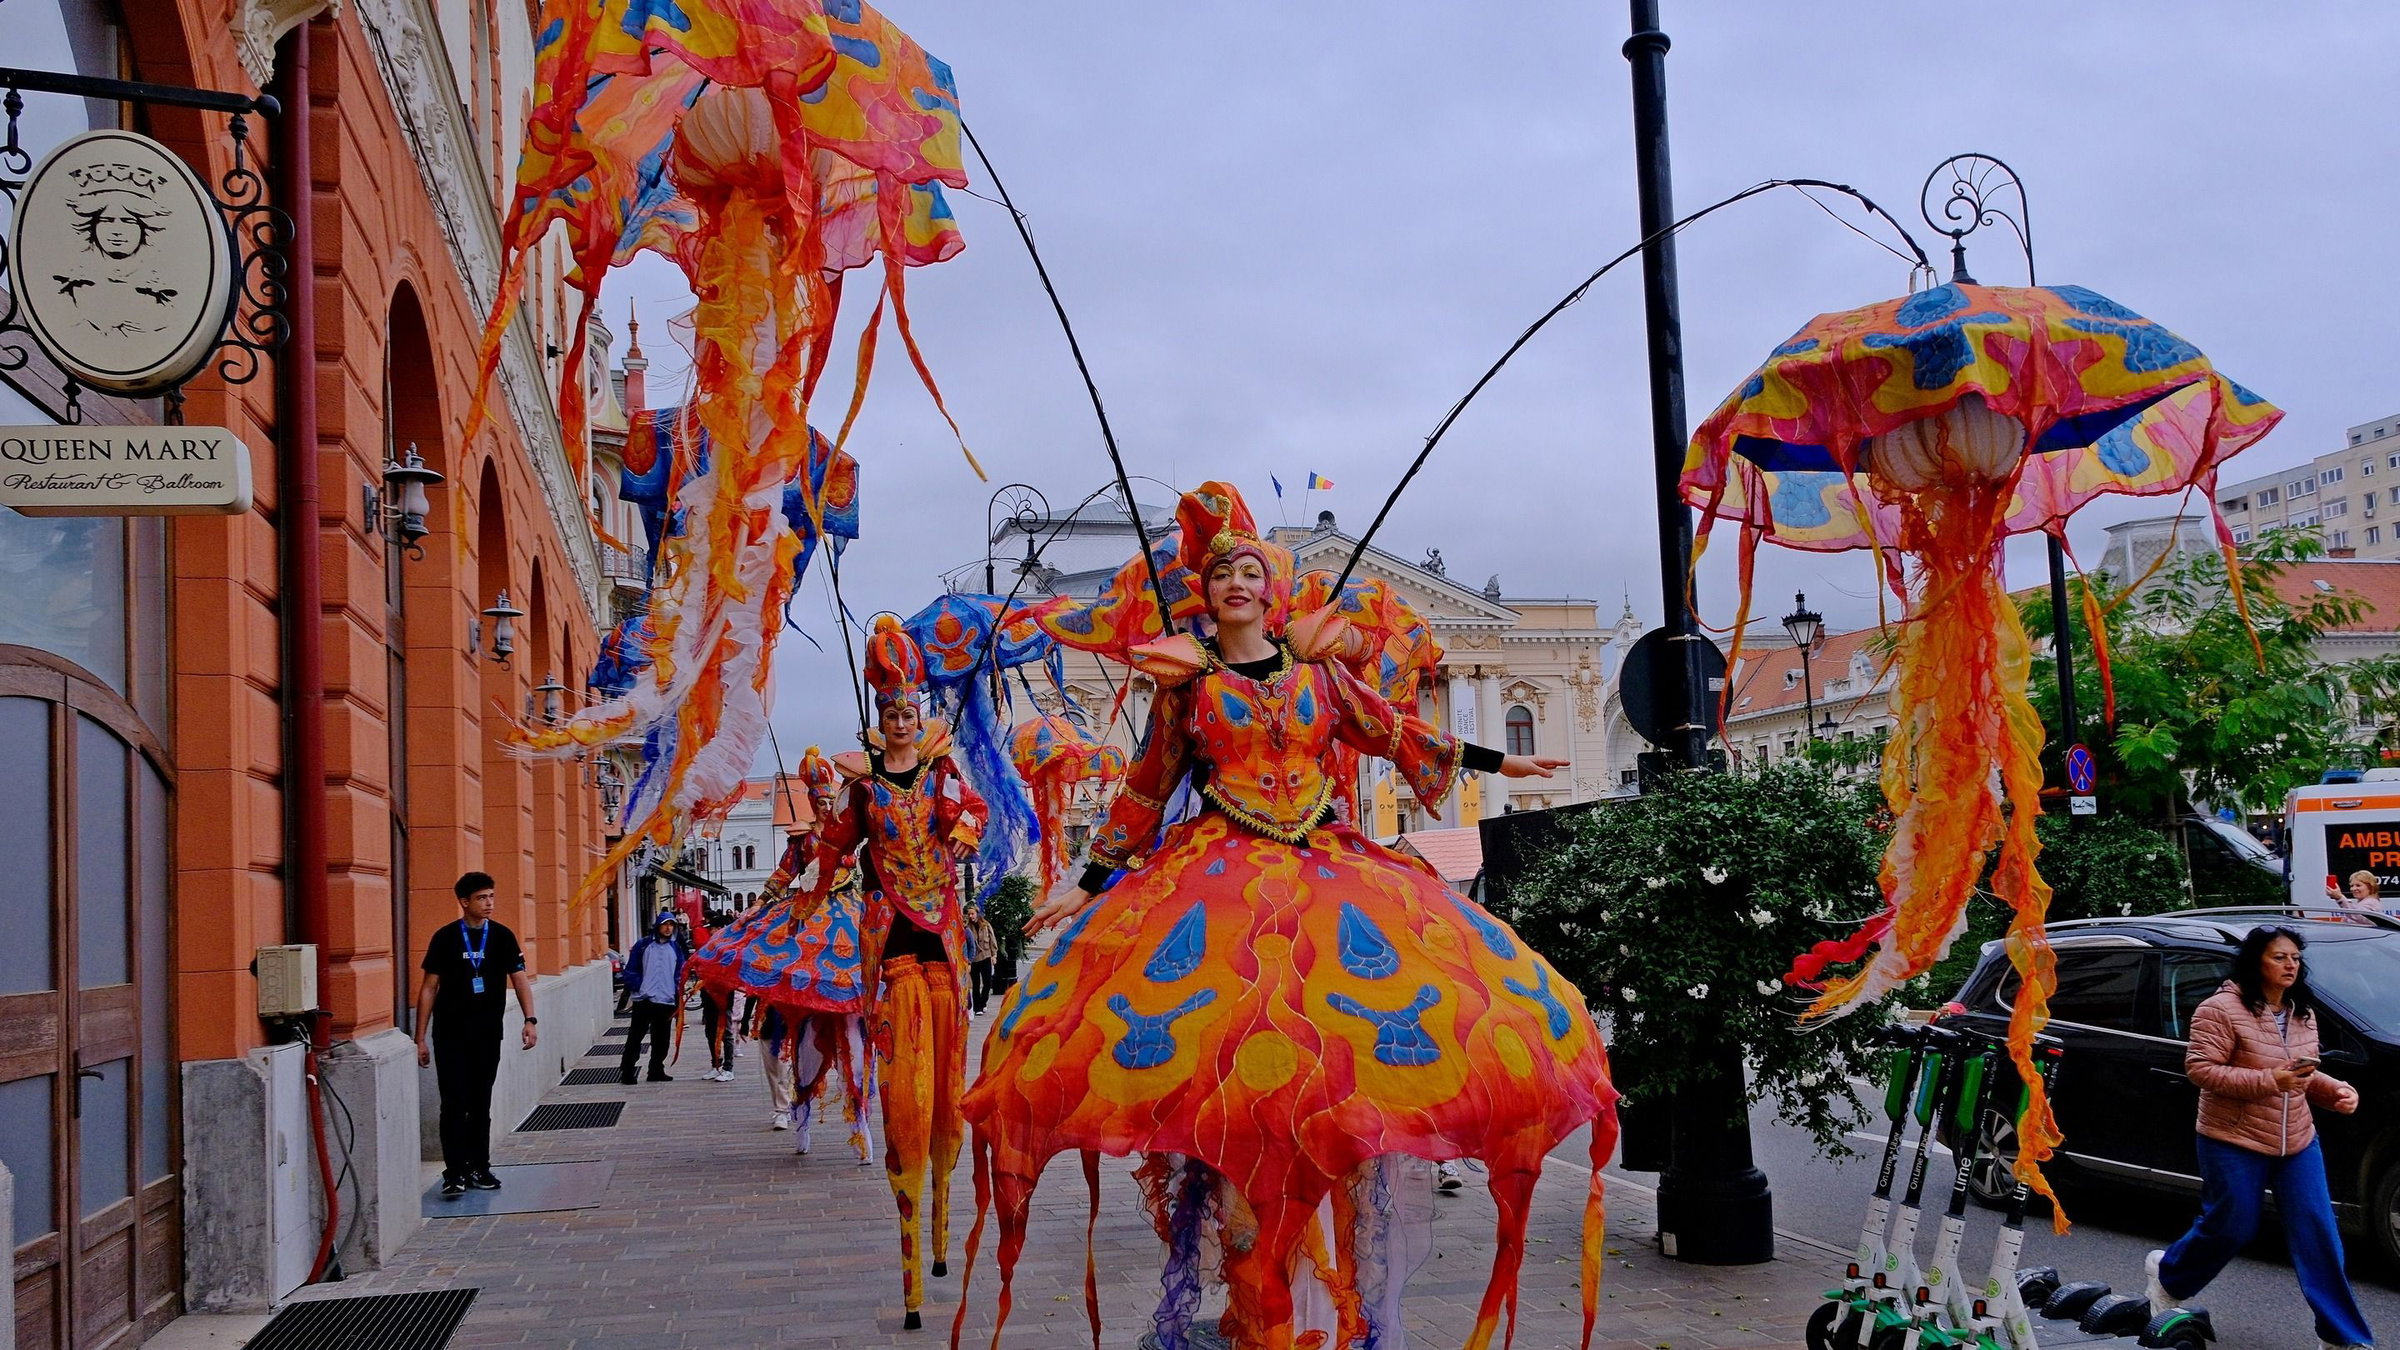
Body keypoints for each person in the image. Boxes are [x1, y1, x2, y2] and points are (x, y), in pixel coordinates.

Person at [965, 483, 1617, 1348]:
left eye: (1248, 571)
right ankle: (1259, 1300)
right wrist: (1085, 885)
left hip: (1330, 879)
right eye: (1220, 574)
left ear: (1270, 588)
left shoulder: (1318, 673)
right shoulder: (1186, 684)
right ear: (1206, 592)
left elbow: (1393, 731)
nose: (1235, 583)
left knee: (1343, 1060)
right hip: (1217, 890)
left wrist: (1502, 764)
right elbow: (1145, 791)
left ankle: (1317, 1300)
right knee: (1237, 1075)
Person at [793, 615, 987, 1329]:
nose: (901, 723)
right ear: (878, 719)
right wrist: (810, 882)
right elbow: (836, 845)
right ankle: (911, 1241)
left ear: (919, 715)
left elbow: (973, 811)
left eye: (909, 712)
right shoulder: (864, 788)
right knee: (905, 1090)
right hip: (891, 942)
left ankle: (941, 1220)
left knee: (947, 1085)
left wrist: (962, 832)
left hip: (942, 940)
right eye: (890, 713)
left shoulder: (939, 773)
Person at [2144, 925, 2371, 1350]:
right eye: (2279, 957)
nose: (2290, 965)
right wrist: (2270, 1080)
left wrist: (2335, 1091)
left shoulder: (2302, 1011)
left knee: (2319, 1233)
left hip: (2297, 1139)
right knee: (2232, 1226)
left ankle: (2342, 1337)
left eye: (2295, 958)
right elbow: (2201, 1070)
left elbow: (2301, 1072)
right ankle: (2169, 1276)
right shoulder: (2220, 1009)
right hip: (2232, 1137)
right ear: (2255, 961)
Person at [689, 746, 880, 1163]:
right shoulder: (802, 840)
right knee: (808, 1035)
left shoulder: (853, 835)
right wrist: (757, 907)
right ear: (811, 801)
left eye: (830, 798)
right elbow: (781, 876)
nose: (826, 805)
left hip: (849, 928)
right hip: (808, 928)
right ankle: (801, 1116)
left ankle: (860, 1123)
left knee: (855, 1032)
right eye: (820, 799)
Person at [416, 871, 537, 1199]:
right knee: (454, 1103)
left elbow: (520, 979)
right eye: (482, 898)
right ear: (464, 902)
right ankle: (454, 1172)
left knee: (481, 1102)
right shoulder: (445, 938)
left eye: (491, 896)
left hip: (487, 1034)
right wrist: (420, 1037)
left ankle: (480, 1167)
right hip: (450, 1035)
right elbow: (428, 988)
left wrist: (530, 1020)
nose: (489, 903)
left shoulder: (502, 936)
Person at [619, 911, 686, 1084]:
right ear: (658, 926)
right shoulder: (643, 945)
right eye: (665, 924)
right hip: (644, 999)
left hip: (666, 999)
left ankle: (656, 1070)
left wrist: (677, 989)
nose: (668, 928)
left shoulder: (675, 948)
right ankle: (627, 1071)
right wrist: (638, 985)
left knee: (661, 1039)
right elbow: (631, 968)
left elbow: (680, 970)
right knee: (635, 1037)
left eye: (671, 925)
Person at [966, 903, 998, 1017]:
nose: (971, 916)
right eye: (969, 914)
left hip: (986, 956)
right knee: (975, 984)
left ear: (977, 914)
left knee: (987, 982)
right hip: (974, 959)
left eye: (972, 914)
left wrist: (994, 955)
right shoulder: (967, 928)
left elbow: (992, 940)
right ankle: (977, 1007)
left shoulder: (986, 925)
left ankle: (983, 1002)